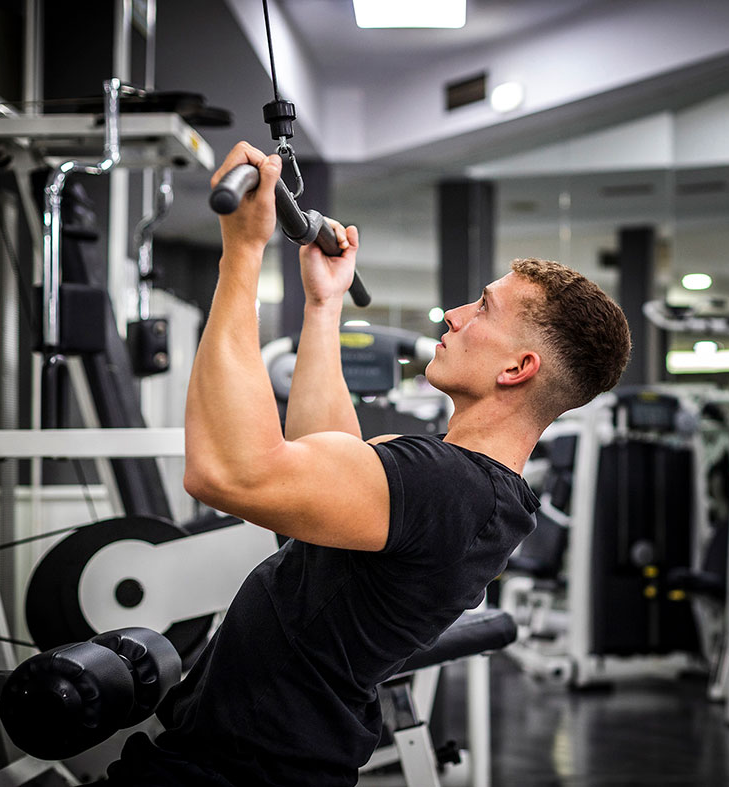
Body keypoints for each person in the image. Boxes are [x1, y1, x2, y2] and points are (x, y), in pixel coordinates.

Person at [104, 141, 631, 786]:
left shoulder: (452, 488)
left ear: (518, 369)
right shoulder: (474, 490)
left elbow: (227, 473)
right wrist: (323, 308)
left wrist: (242, 253)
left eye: (483, 307)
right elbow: (334, 459)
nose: (456, 315)